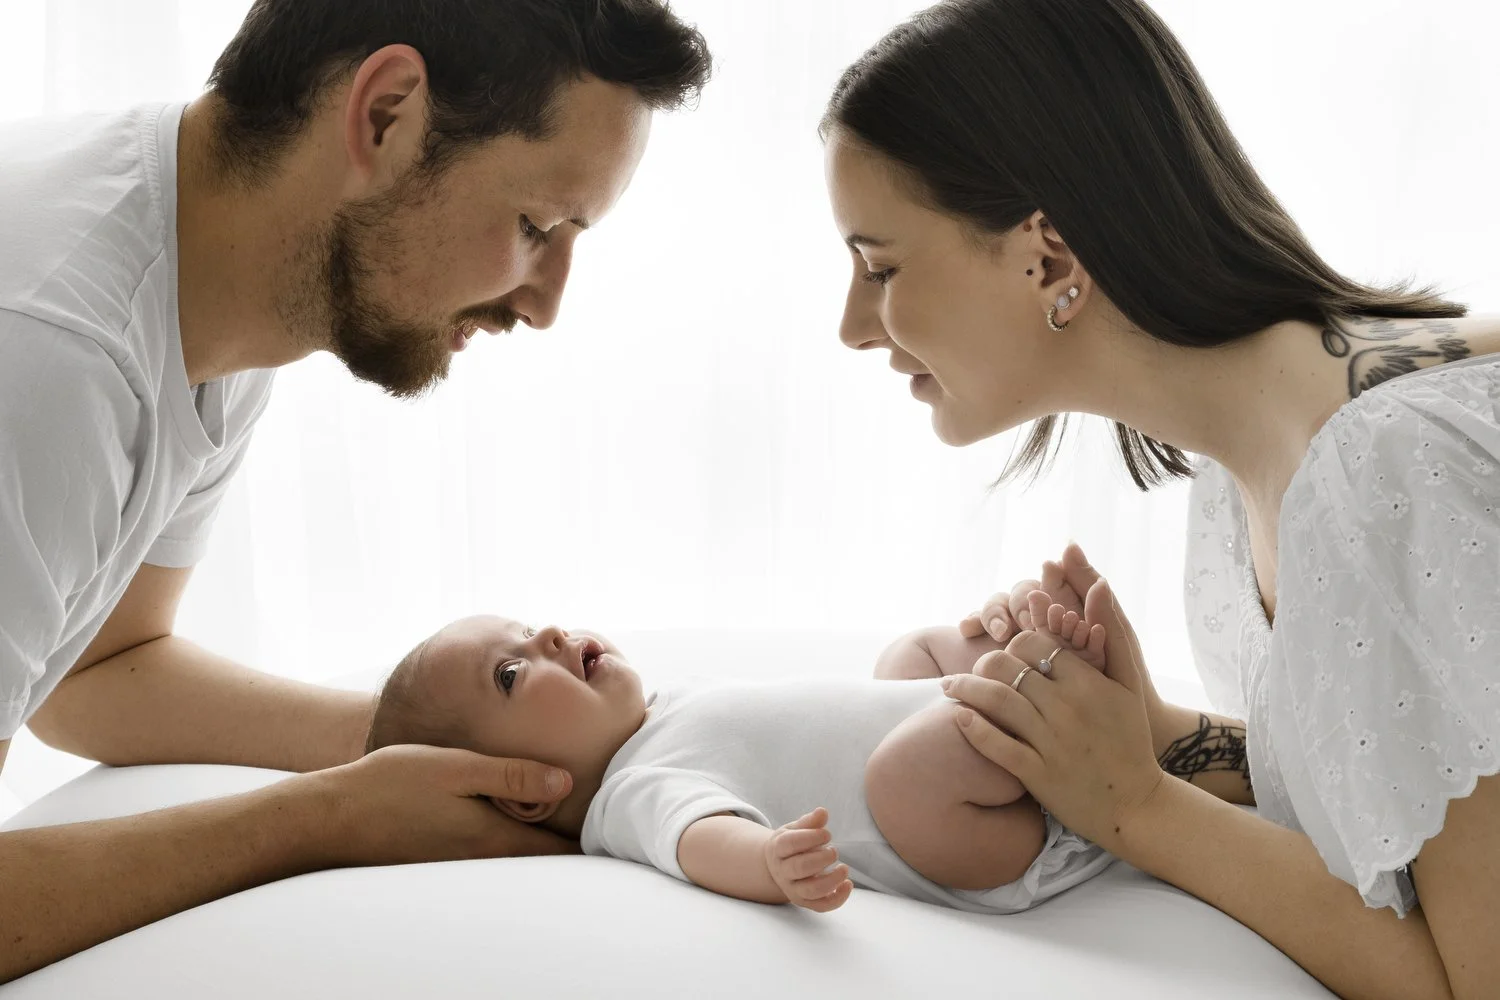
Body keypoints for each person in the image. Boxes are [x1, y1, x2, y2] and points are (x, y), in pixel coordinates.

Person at [0, 0, 710, 982]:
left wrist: (450, 752)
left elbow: (95, 675)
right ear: (385, 114)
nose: (546, 303)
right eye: (537, 226)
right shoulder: (45, 357)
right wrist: (329, 816)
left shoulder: (209, 285)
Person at [822, 1, 1498, 997]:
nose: (851, 325)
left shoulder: (1387, 466)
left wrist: (1136, 803)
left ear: (1045, 256)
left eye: (879, 265)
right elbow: (1396, 795)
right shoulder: (1259, 457)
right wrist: (1154, 732)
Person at [362, 604, 1113, 913]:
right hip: (958, 832)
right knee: (904, 771)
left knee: (916, 651)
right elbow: (696, 840)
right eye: (512, 673)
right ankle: (1063, 712)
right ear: (524, 791)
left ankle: (1039, 682)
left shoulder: (661, 713)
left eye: (528, 627)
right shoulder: (630, 792)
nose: (551, 636)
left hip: (945, 736)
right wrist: (768, 862)